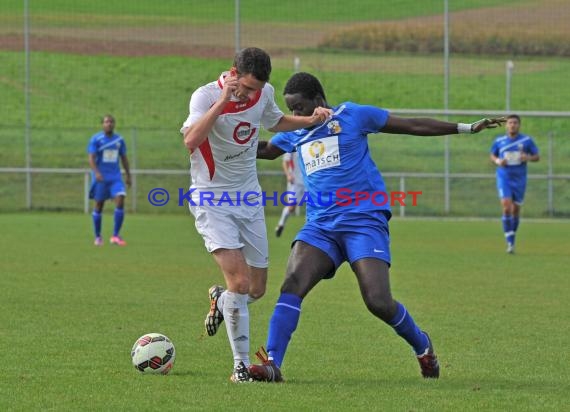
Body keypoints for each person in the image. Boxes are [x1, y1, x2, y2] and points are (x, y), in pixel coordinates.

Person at [249, 72, 505, 382]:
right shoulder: (295, 132)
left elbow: (412, 126)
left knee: (378, 301)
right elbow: (264, 150)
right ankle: (273, 364)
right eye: (292, 109)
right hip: (321, 226)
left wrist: (464, 128)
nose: (297, 115)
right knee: (292, 284)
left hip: (363, 221)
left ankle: (422, 346)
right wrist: (222, 137)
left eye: (301, 107)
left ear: (319, 100)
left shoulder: (353, 115)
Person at [180, 49, 331, 382]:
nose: (251, 95)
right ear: (233, 73)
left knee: (257, 289)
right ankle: (241, 366)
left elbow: (275, 121)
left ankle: (222, 301)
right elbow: (191, 140)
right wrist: (222, 101)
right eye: (246, 88)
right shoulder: (205, 96)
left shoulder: (264, 93)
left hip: (249, 198)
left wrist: (309, 121)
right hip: (212, 198)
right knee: (241, 282)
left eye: (257, 89)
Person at [490, 115, 539, 254]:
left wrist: (527, 157)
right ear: (506, 125)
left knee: (516, 210)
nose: (512, 125)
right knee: (506, 206)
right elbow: (492, 155)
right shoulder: (499, 141)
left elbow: (537, 156)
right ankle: (509, 242)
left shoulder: (526, 141)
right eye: (510, 123)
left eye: (515, 123)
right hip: (504, 177)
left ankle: (512, 236)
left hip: (519, 179)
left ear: (519, 125)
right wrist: (498, 161)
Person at [87, 114, 131, 246]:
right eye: (106, 122)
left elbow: (124, 158)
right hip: (101, 177)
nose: (109, 124)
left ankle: (115, 236)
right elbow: (91, 158)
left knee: (121, 198)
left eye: (111, 122)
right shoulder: (96, 139)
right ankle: (98, 236)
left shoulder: (119, 140)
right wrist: (96, 173)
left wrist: (128, 175)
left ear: (114, 124)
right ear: (102, 124)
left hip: (115, 177)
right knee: (99, 205)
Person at [275, 151, 306, 237]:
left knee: (312, 204)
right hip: (295, 181)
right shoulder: (291, 145)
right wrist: (288, 175)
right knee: (291, 207)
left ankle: (312, 229)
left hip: (308, 180)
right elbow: (285, 162)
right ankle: (281, 225)